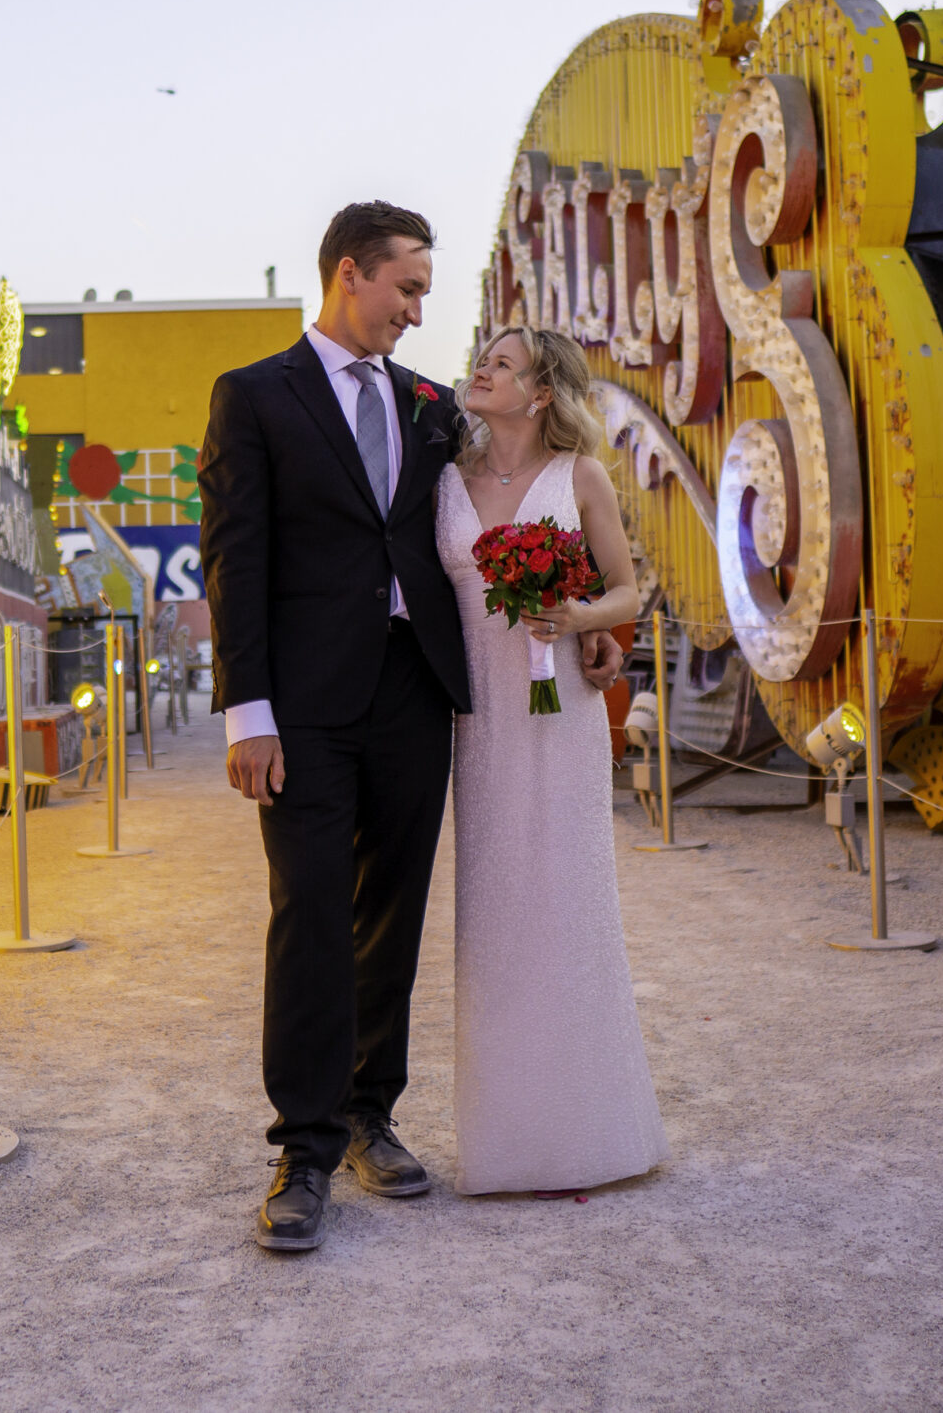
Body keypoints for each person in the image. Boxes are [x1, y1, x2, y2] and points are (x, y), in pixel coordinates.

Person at [198, 202, 623, 1253]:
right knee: (308, 910)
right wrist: (246, 713)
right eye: (407, 288)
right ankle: (301, 1152)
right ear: (352, 274)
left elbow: (528, 505)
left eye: (426, 291)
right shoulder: (253, 397)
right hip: (299, 704)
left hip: (416, 696)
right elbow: (233, 558)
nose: (419, 309)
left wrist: (588, 631)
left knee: (391, 913)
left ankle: (366, 1116)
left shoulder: (435, 409)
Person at [436, 326, 667, 1195]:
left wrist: (577, 622)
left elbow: (625, 589)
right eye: (483, 357)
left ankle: (590, 1130)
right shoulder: (442, 482)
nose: (483, 367)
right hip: (475, 719)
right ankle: (505, 1139)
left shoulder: (580, 478)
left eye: (503, 362)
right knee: (493, 906)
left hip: (559, 708)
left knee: (567, 896)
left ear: (539, 393)